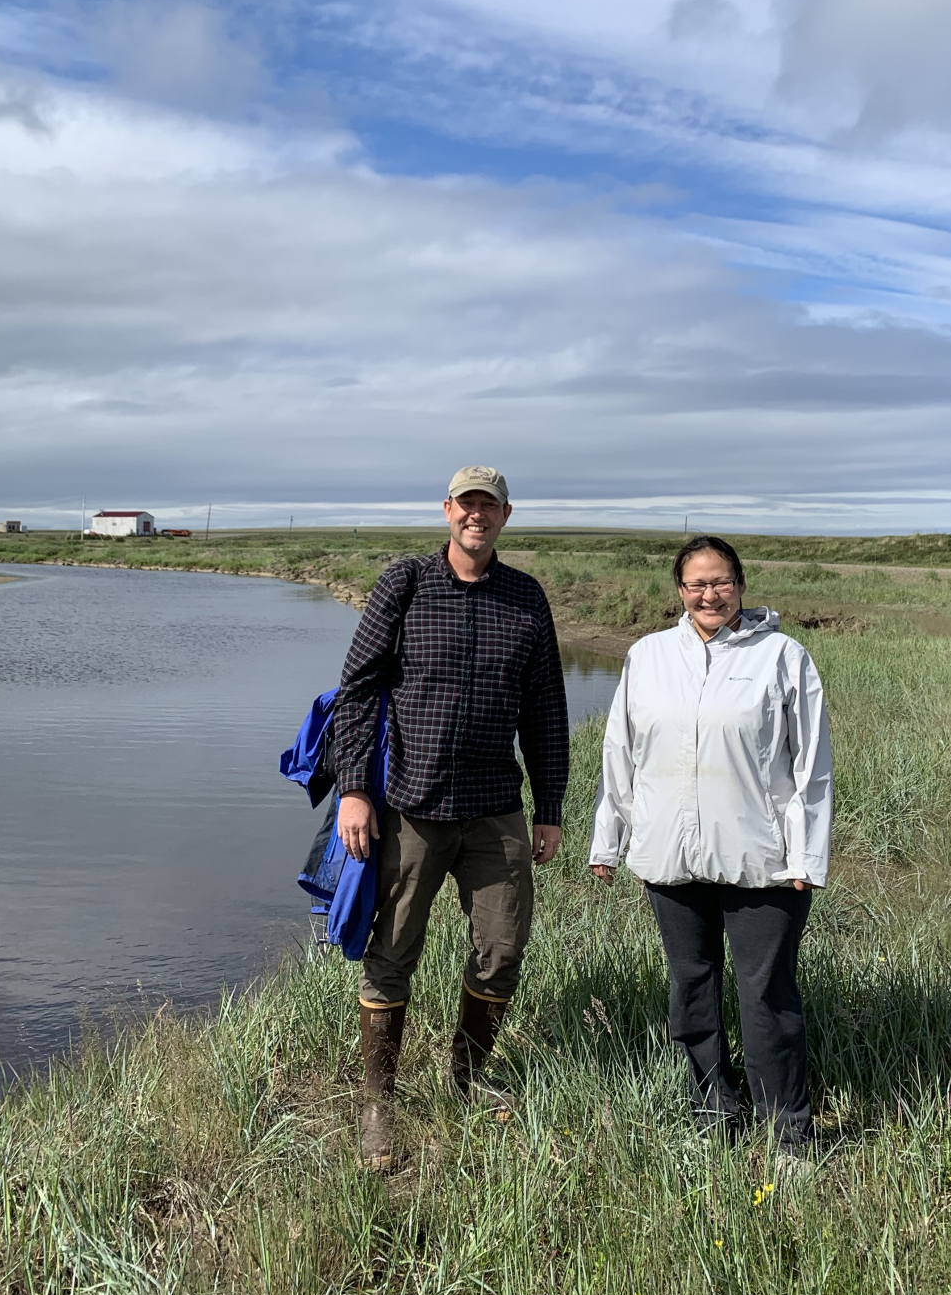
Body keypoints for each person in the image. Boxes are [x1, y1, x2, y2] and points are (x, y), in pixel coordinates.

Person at [332, 466, 570, 1169]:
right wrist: (353, 788)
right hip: (410, 807)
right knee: (392, 953)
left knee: (502, 950)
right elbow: (357, 690)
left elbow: (548, 711)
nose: (477, 516)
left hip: (496, 811)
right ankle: (379, 1104)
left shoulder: (525, 597)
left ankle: (466, 1080)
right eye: (466, 505)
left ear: (504, 516)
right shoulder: (405, 584)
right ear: (447, 512)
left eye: (488, 506)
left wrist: (549, 807)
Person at [588, 535, 831, 1160]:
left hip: (763, 860)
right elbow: (621, 751)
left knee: (766, 995)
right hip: (670, 854)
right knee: (691, 986)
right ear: (679, 592)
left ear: (742, 587)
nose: (709, 594)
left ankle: (788, 1137)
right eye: (696, 584)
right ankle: (714, 1114)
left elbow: (811, 765)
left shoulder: (782, 656)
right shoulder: (648, 656)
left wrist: (806, 856)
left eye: (721, 582)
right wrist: (608, 841)